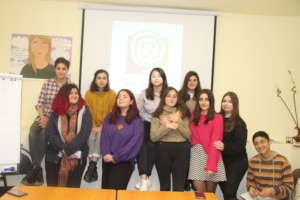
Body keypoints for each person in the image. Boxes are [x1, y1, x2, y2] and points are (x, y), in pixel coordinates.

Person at [21, 57, 70, 186]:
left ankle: (36, 169)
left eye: (63, 69)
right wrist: (43, 118)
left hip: (58, 120)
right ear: (55, 69)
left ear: (67, 70)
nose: (60, 71)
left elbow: (69, 108)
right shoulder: (48, 83)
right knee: (33, 133)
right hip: (43, 117)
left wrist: (50, 121)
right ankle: (37, 166)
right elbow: (39, 104)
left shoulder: (71, 86)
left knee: (43, 135)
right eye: (58, 68)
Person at [45, 83, 92, 187]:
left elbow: (84, 134)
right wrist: (63, 149)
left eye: (76, 93)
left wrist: (68, 150)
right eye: (71, 93)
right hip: (54, 157)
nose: (74, 95)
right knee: (53, 193)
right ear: (64, 95)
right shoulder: (55, 112)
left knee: (72, 193)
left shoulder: (85, 111)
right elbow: (50, 133)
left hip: (77, 158)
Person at [101, 89, 144, 190]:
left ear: (131, 101)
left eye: (125, 96)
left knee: (115, 194)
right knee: (106, 194)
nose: (121, 98)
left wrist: (116, 157)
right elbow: (104, 138)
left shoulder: (137, 121)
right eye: (119, 96)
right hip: (107, 160)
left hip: (124, 162)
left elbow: (134, 144)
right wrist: (106, 154)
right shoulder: (109, 117)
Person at [150, 87, 191, 191]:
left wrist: (178, 123)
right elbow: (153, 137)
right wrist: (167, 126)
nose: (171, 99)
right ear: (164, 98)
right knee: (164, 187)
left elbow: (189, 135)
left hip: (182, 150)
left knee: (179, 187)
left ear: (178, 99)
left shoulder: (184, 113)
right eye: (168, 96)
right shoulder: (157, 114)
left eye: (174, 96)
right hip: (162, 150)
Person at [135, 68, 168, 190]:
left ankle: (146, 177)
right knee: (141, 145)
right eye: (153, 76)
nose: (156, 78)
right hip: (146, 123)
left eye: (159, 76)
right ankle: (144, 178)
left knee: (153, 146)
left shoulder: (168, 93)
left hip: (161, 126)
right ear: (150, 79)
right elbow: (137, 110)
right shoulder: (144, 93)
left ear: (163, 78)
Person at [188, 89, 226, 193]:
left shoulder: (217, 118)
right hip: (196, 155)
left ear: (211, 101)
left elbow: (215, 143)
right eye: (201, 99)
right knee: (200, 194)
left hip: (212, 156)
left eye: (206, 99)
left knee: (209, 195)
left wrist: (211, 166)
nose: (203, 102)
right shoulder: (193, 116)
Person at [83, 69, 116, 183]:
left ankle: (92, 163)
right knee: (91, 136)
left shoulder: (112, 93)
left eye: (104, 78)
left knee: (101, 135)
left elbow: (112, 112)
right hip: (91, 124)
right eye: (99, 78)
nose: (102, 80)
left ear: (107, 80)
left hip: (106, 125)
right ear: (95, 80)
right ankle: (93, 164)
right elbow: (87, 111)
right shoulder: (89, 93)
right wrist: (92, 126)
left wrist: (102, 126)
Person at [214, 92, 248, 200]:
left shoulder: (239, 123)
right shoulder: (216, 118)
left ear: (235, 104)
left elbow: (240, 146)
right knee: (228, 194)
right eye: (224, 101)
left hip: (237, 162)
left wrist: (225, 147)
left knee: (229, 193)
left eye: (230, 101)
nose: (226, 104)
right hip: (221, 162)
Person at [247, 131, 294, 200]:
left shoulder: (283, 161)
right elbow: (250, 181)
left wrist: (272, 191)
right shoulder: (253, 161)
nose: (259, 146)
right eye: (256, 144)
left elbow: (289, 188)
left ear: (269, 142)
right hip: (259, 197)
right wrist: (251, 188)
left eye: (262, 142)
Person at [178, 70, 202, 190]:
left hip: (198, 135)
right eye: (189, 80)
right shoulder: (179, 96)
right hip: (183, 133)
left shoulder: (202, 97)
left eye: (195, 80)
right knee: (184, 164)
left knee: (195, 165)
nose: (192, 82)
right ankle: (185, 186)